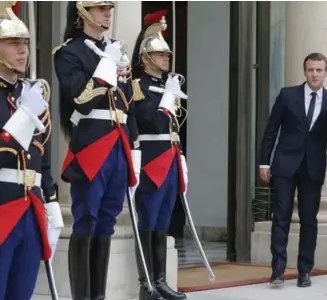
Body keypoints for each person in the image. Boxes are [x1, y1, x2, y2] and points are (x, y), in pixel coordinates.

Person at [53, 1, 142, 299]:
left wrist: (133, 145)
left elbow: (128, 100)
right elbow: (82, 99)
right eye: (100, 8)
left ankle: (98, 295)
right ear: (83, 12)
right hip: (92, 143)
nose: (107, 13)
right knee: (86, 219)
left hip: (118, 142)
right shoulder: (69, 52)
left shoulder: (116, 48)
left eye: (109, 8)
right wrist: (107, 68)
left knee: (107, 221)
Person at [258, 53, 327, 287]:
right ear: (304, 71)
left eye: (319, 70)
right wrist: (264, 162)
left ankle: (305, 271)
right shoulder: (287, 95)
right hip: (285, 165)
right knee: (281, 218)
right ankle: (277, 270)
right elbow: (271, 130)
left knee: (309, 220)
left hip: (313, 168)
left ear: (325, 72)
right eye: (310, 70)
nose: (314, 74)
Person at [0, 3, 60, 299]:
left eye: (25, 43)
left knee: (21, 293)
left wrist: (50, 199)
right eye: (13, 43)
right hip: (1, 208)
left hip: (30, 208)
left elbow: (40, 155)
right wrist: (21, 120)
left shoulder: (31, 92)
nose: (23, 50)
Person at [130, 10, 189, 300]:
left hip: (169, 161)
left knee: (163, 223)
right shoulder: (138, 88)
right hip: (151, 162)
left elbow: (173, 127)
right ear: (147, 58)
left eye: (166, 55)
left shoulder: (165, 86)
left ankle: (161, 280)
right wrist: (167, 98)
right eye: (161, 55)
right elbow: (151, 123)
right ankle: (147, 284)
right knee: (148, 222)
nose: (167, 59)